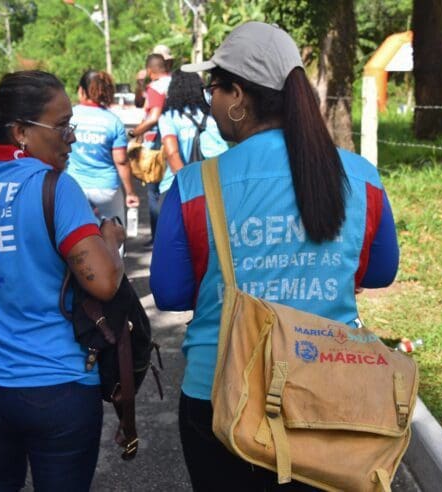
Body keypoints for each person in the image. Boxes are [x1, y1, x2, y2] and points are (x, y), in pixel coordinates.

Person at [150, 22, 400, 491]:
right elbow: (381, 271)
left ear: (238, 96)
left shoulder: (194, 185)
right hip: (328, 390)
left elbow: (169, 292)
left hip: (220, 397)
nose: (211, 102)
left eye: (214, 90)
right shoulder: (361, 177)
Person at [0, 70, 125, 491]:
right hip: (51, 387)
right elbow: (104, 284)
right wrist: (109, 240)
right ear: (21, 131)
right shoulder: (54, 188)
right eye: (61, 127)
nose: (72, 137)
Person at [67, 70, 139, 226]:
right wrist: (130, 192)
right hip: (107, 190)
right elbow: (121, 161)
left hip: (74, 186)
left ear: (81, 90)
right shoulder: (113, 122)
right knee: (114, 233)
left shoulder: (69, 117)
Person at [157, 69, 228, 198]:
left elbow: (172, 154)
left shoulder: (170, 117)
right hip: (217, 183)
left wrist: (188, 186)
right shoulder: (212, 112)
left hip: (178, 187)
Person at [128, 53, 171, 244]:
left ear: (150, 70)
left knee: (153, 193)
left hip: (156, 146)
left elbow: (153, 117)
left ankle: (158, 238)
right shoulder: (173, 82)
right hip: (174, 141)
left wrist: (132, 133)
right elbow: (141, 102)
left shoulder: (155, 87)